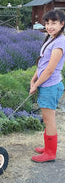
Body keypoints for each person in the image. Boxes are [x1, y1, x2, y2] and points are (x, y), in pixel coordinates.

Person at [30, 9, 65, 163]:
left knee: (48, 119)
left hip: (50, 86)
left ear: (62, 24)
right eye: (47, 23)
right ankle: (47, 147)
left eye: (54, 23)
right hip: (46, 84)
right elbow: (42, 63)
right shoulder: (51, 38)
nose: (50, 26)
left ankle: (50, 153)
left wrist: (35, 85)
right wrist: (33, 79)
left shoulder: (60, 42)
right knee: (47, 118)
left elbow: (50, 70)